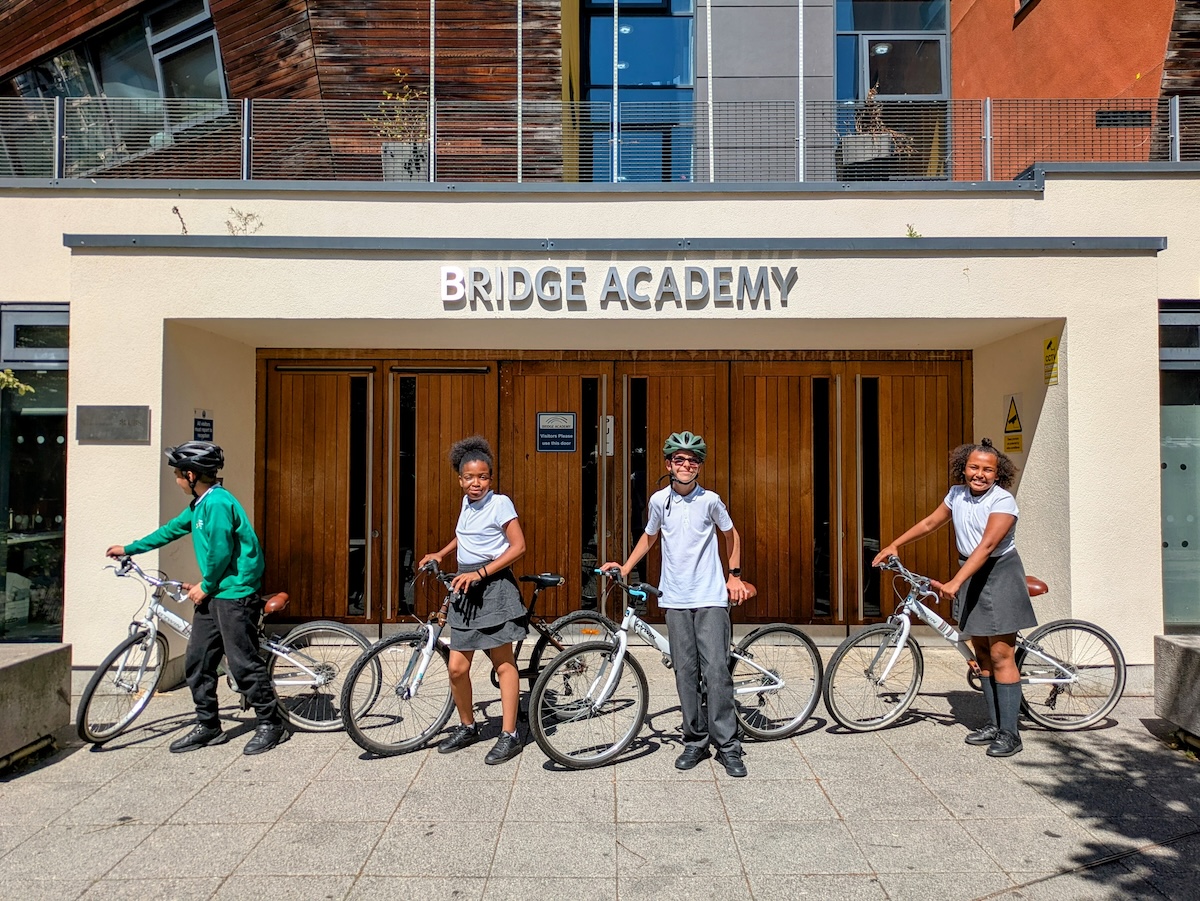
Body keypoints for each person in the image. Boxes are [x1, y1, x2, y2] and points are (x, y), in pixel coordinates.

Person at [106, 441, 288, 755]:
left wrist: (206, 584)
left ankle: (271, 723)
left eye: (177, 473)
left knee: (243, 662)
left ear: (191, 475)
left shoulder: (217, 503)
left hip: (233, 594)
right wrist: (129, 548)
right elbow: (170, 531)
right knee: (198, 662)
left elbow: (219, 552)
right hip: (215, 592)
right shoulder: (200, 504)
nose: (176, 479)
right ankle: (208, 726)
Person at [872, 438, 1036, 758]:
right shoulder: (957, 494)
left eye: (988, 469)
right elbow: (931, 522)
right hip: (970, 572)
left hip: (998, 574)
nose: (980, 474)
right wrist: (895, 544)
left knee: (1001, 655)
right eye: (974, 467)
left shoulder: (1003, 501)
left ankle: (1010, 733)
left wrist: (957, 582)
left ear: (998, 474)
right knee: (982, 654)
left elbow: (987, 547)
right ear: (963, 468)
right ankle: (993, 723)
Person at [601, 430, 752, 777]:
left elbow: (732, 535)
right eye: (679, 460)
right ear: (668, 464)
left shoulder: (710, 500)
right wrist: (625, 566)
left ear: (699, 467)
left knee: (715, 670)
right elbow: (650, 535)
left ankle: (729, 745)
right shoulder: (658, 501)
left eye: (693, 460)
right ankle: (695, 741)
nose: (686, 465)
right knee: (685, 671)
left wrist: (734, 575)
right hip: (675, 596)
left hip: (710, 594)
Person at [417, 436, 528, 765]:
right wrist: (441, 552)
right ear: (460, 479)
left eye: (482, 477)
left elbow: (518, 547)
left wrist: (480, 573)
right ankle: (468, 726)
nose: (475, 483)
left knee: (503, 663)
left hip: (493, 587)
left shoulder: (500, 503)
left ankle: (510, 735)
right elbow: (465, 536)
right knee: (457, 667)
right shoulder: (467, 503)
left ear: (490, 478)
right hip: (465, 589)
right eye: (469, 477)